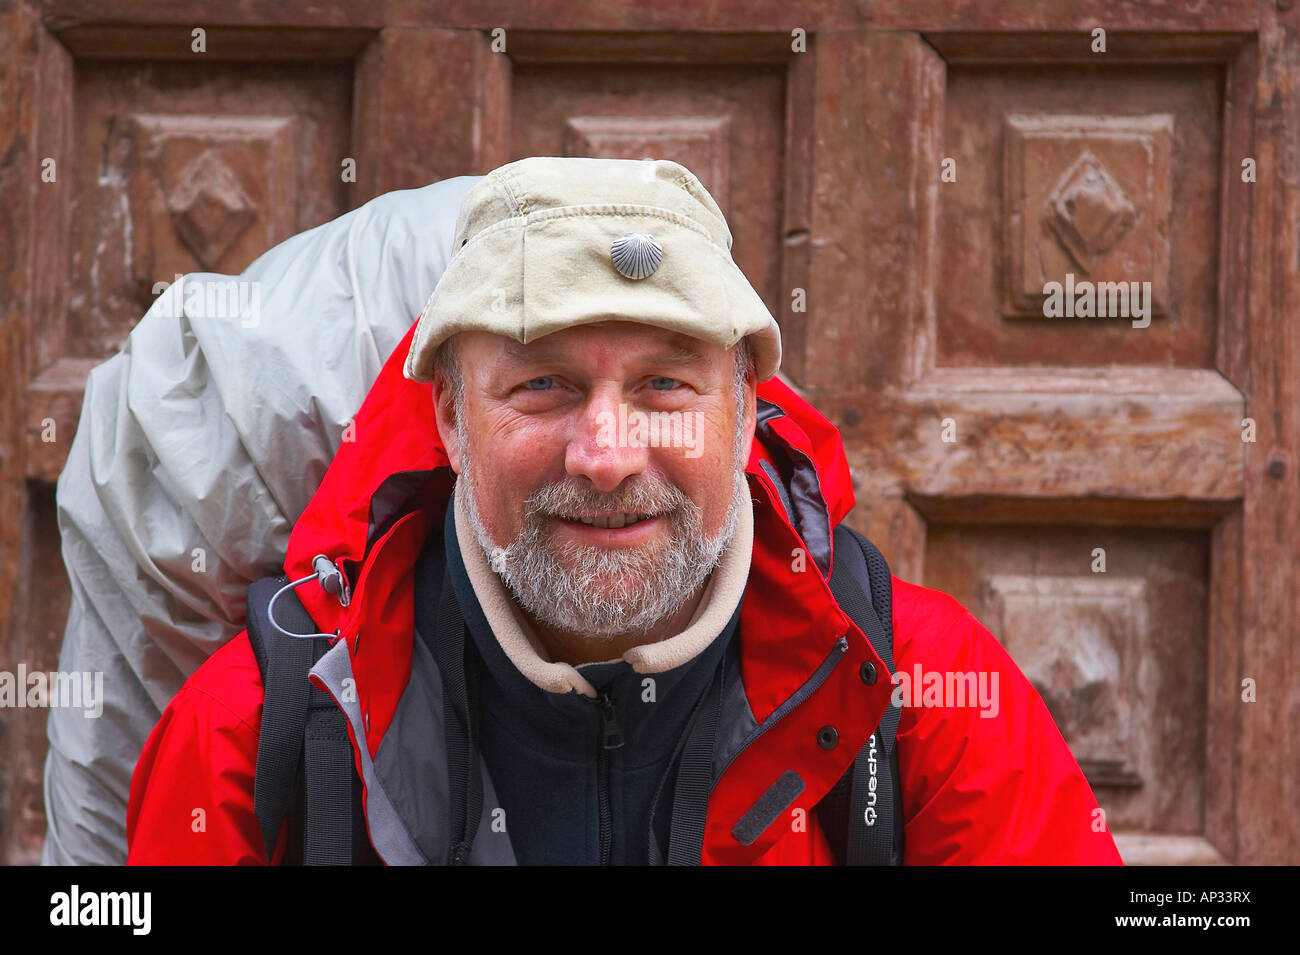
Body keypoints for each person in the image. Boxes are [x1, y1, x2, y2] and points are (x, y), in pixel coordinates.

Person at [125, 156, 1123, 865]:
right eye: (542, 386)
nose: (605, 457)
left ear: (744, 418)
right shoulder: (259, 729)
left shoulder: (922, 697)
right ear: (450, 421)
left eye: (664, 388)